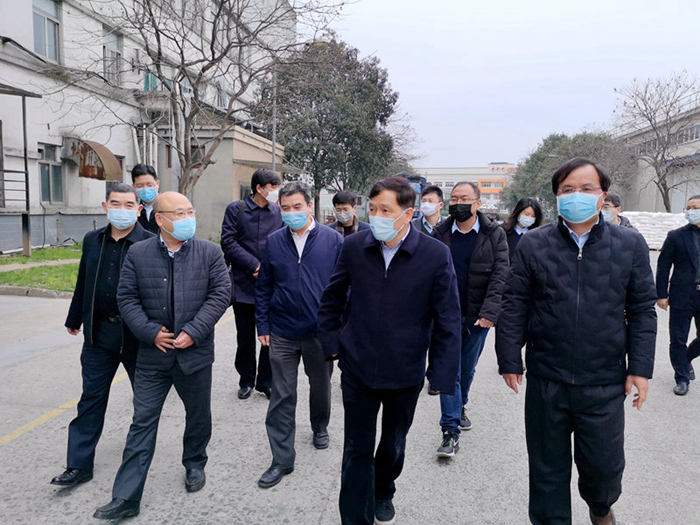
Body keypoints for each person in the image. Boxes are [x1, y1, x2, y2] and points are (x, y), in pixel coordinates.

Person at [496, 158, 657, 525]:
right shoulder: (535, 243)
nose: (576, 196)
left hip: (603, 381)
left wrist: (640, 368)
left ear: (602, 196)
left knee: (603, 471)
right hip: (547, 379)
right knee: (547, 472)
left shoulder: (629, 243)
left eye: (586, 189)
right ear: (556, 196)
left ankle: (601, 509)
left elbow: (642, 310)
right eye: (567, 190)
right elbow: (515, 302)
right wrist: (509, 357)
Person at [317, 176, 461, 525]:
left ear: (408, 214)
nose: (377, 216)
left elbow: (448, 318)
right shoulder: (354, 247)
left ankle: (384, 488)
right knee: (357, 449)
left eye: (386, 210)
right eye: (373, 209)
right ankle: (356, 518)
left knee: (393, 444)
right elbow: (332, 298)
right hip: (358, 367)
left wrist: (442, 374)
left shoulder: (434, 255)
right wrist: (333, 344)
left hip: (404, 371)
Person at [93, 191, 230, 520]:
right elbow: (126, 297)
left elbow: (221, 293)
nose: (187, 219)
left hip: (194, 354)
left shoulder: (210, 252)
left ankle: (194, 463)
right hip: (152, 355)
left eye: (190, 211)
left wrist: (193, 331)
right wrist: (149, 331)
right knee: (142, 422)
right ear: (160, 219)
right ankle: (126, 496)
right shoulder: (138, 253)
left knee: (198, 415)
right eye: (179, 213)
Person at [51, 184, 153, 488]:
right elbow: (83, 280)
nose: (122, 210)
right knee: (91, 399)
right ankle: (79, 464)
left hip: (137, 337)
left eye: (128, 205)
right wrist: (74, 318)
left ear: (138, 209)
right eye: (115, 203)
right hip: (99, 335)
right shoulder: (92, 240)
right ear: (105, 207)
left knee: (145, 404)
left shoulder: (150, 243)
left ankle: (136, 461)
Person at [255, 182, 343, 489]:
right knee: (282, 394)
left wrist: (339, 329)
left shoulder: (333, 240)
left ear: (309, 206)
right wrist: (263, 326)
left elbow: (344, 288)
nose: (291, 212)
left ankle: (320, 426)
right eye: (285, 208)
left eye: (297, 206)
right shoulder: (274, 241)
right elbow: (264, 287)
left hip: (320, 332)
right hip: (282, 331)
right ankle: (281, 459)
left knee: (320, 386)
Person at [431, 181, 509, 457]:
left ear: (477, 203)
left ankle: (460, 404)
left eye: (464, 198)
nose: (458, 203)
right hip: (445, 315)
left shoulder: (494, 234)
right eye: (453, 198)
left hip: (477, 316)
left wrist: (490, 312)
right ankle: (450, 430)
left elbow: (500, 275)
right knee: (449, 369)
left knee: (467, 368)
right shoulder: (439, 233)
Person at [221, 169, 284, 400]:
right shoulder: (236, 210)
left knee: (270, 337)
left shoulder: (278, 213)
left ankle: (265, 382)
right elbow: (228, 241)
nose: (277, 192)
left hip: (271, 285)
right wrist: (253, 266)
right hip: (244, 285)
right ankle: (246, 380)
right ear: (259, 188)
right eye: (273, 187)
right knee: (245, 337)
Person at [656, 194, 700, 396]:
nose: (690, 211)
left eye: (695, 207)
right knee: (678, 338)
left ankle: (686, 358)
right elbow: (663, 266)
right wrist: (661, 294)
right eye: (688, 208)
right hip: (682, 294)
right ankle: (682, 378)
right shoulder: (676, 236)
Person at [501, 197, 543, 261]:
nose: (529, 218)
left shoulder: (538, 236)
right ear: (518, 212)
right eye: (526, 214)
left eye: (533, 216)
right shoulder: (503, 231)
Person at [131, 164, 160, 233]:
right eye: (140, 186)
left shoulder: (168, 206)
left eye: (149, 185)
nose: (145, 189)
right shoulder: (132, 209)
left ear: (157, 184)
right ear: (133, 187)